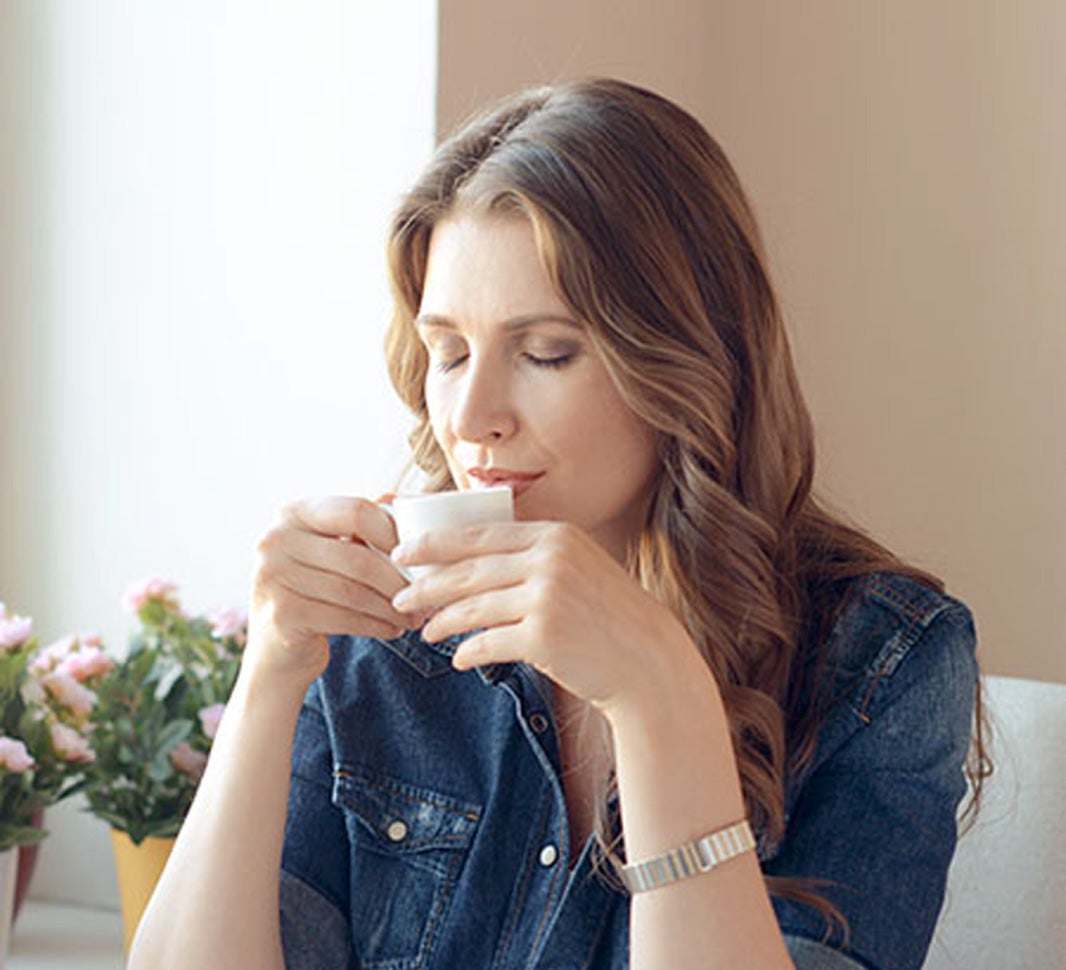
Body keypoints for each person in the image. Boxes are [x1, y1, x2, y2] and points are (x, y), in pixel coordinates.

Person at [128, 78, 984, 970]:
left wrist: (661, 703)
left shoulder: (883, 661)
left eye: (546, 353)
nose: (471, 416)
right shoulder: (385, 628)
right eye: (448, 352)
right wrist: (271, 675)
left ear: (686, 360)